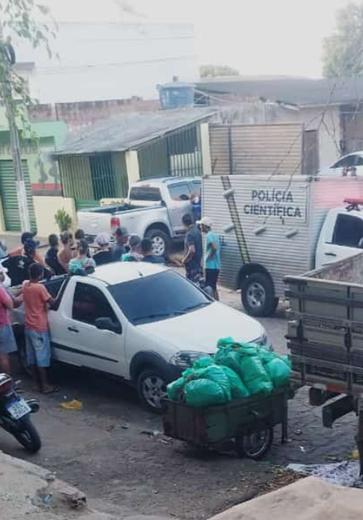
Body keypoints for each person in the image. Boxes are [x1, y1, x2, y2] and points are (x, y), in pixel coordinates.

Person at [23, 263, 58, 394]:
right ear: (40, 274)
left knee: (31, 356)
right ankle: (45, 385)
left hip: (28, 325)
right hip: (39, 326)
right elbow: (53, 303)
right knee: (42, 357)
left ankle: (35, 383)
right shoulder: (40, 288)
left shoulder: (26, 284)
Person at [0, 265, 22, 375]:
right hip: (2, 325)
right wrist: (25, 292)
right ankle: (7, 384)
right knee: (3, 355)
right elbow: (11, 305)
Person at [199, 216, 221, 300]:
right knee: (214, 286)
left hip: (210, 266)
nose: (200, 227)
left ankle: (211, 302)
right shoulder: (214, 235)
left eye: (201, 225)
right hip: (216, 266)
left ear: (205, 226)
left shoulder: (209, 236)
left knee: (209, 286)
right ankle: (218, 302)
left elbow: (214, 247)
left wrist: (210, 256)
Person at [181, 214, 203, 281]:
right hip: (198, 262)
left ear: (184, 223)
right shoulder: (197, 231)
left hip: (191, 264)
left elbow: (192, 250)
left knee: (191, 282)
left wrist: (185, 260)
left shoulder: (189, 234)